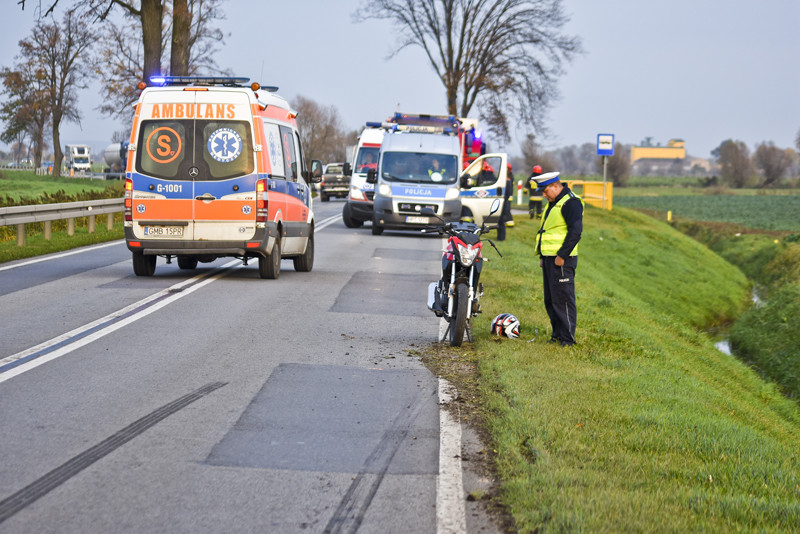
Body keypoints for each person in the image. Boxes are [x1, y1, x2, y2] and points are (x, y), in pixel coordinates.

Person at [532, 172, 583, 347]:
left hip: (561, 259)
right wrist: (542, 256)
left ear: (555, 186)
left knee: (563, 299)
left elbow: (575, 232)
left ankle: (568, 339)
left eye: (545, 191)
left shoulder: (571, 202)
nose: (543, 195)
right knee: (551, 300)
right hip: (550, 258)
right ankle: (557, 335)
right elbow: (548, 230)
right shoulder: (554, 202)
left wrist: (561, 256)